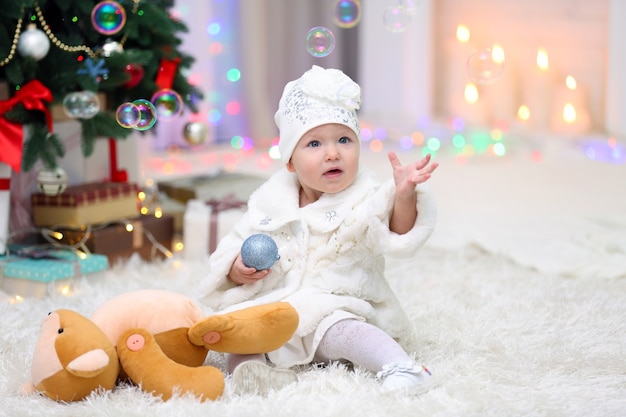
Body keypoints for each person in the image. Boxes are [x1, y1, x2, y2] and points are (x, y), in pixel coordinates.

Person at [198, 65, 438, 394]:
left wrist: (403, 195)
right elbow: (233, 245)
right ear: (291, 162)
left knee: (341, 329)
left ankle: (400, 366)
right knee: (241, 330)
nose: (332, 153)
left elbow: (393, 230)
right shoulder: (270, 202)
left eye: (344, 139)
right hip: (277, 307)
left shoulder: (365, 197)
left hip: (335, 303)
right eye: (314, 144)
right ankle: (254, 375)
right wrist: (238, 270)